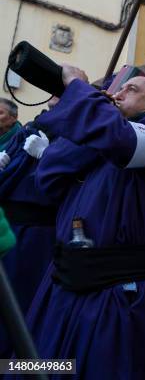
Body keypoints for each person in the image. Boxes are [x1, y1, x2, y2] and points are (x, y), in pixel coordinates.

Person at [19, 68, 145, 380]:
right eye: (117, 90)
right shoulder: (103, 141)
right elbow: (48, 178)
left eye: (130, 89)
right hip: (62, 284)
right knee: (36, 364)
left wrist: (80, 89)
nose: (117, 93)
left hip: (114, 295)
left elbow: (120, 139)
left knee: (98, 370)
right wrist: (87, 126)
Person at [0, 98, 62, 359]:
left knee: (23, 307)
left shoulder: (73, 134)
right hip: (13, 224)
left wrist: (49, 158)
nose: (53, 99)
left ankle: (13, 367)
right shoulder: (31, 129)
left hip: (38, 234)